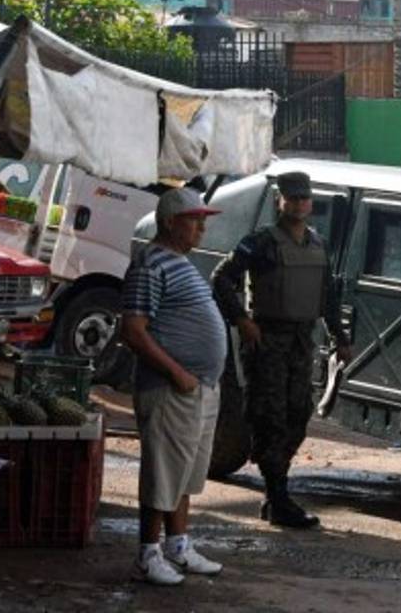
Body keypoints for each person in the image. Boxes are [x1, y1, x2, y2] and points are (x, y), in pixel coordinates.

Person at [211, 171, 348, 529]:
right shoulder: (260, 243)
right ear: (279, 200)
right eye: (293, 197)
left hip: (302, 341)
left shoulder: (318, 244)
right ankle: (278, 497)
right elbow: (221, 279)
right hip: (267, 341)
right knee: (269, 417)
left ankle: (278, 492)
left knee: (298, 414)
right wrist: (242, 320)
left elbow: (328, 296)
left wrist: (341, 338)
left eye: (305, 198)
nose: (299, 204)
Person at [120, 187, 227, 586]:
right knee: (163, 474)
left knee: (183, 473)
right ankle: (148, 553)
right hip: (171, 389)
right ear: (169, 222)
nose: (201, 227)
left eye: (203, 219)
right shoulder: (150, 264)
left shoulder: (179, 261)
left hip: (199, 387)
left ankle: (178, 546)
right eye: (193, 219)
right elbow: (133, 330)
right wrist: (176, 372)